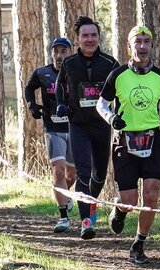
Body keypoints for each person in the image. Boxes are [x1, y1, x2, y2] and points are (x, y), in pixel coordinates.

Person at [96, 25, 160, 264]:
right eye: (137, 42)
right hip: (125, 141)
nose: (142, 47)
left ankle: (138, 244)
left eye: (146, 42)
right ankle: (119, 210)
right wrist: (112, 119)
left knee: (151, 195)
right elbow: (101, 105)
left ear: (151, 46)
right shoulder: (118, 75)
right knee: (130, 201)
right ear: (129, 47)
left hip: (152, 139)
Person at [55, 16, 119, 240]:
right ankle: (85, 221)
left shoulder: (110, 64)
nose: (89, 39)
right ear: (78, 39)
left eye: (93, 35)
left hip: (102, 126)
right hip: (78, 124)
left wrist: (117, 116)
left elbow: (120, 91)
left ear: (98, 37)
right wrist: (61, 104)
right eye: (85, 36)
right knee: (83, 171)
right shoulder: (70, 63)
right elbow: (60, 85)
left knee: (99, 174)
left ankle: (90, 203)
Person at [24, 38, 75, 232]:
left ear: (70, 52)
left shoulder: (75, 71)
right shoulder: (42, 73)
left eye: (64, 51)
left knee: (71, 175)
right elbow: (29, 88)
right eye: (57, 52)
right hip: (53, 128)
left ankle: (65, 194)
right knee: (58, 171)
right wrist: (32, 105)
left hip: (74, 129)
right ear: (52, 53)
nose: (60, 55)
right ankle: (63, 216)